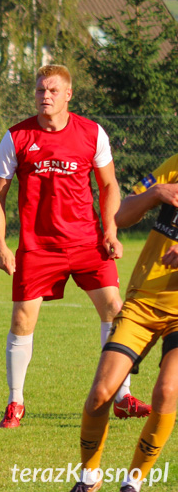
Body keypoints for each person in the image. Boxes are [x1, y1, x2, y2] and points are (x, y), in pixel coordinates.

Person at [0, 63, 150, 429]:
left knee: (114, 308)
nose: (46, 96)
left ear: (68, 95)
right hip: (38, 246)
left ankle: (121, 397)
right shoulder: (16, 137)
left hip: (87, 241)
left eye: (53, 91)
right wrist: (1, 246)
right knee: (22, 318)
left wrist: (110, 230)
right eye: (40, 91)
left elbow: (109, 186)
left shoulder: (92, 133)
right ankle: (15, 403)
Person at [68, 154, 178, 492]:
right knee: (102, 392)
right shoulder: (174, 164)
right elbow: (122, 215)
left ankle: (133, 482)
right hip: (143, 300)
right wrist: (157, 193)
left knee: (167, 391)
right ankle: (89, 476)